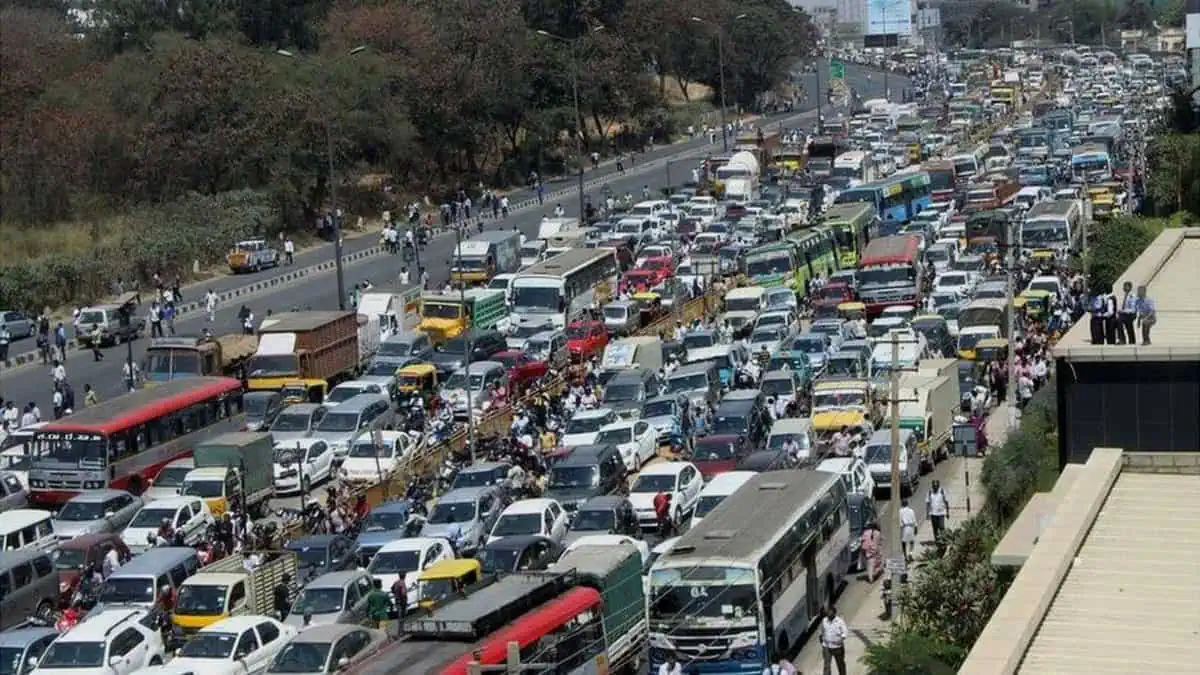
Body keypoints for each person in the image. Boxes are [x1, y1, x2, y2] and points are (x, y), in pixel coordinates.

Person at [819, 605, 849, 675]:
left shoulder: (839, 621)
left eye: (830, 612)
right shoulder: (824, 620)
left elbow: (845, 632)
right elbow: (822, 631)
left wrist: (841, 639)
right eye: (828, 612)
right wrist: (821, 638)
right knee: (827, 665)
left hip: (837, 647)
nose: (829, 614)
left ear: (834, 613)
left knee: (840, 664)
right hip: (826, 646)